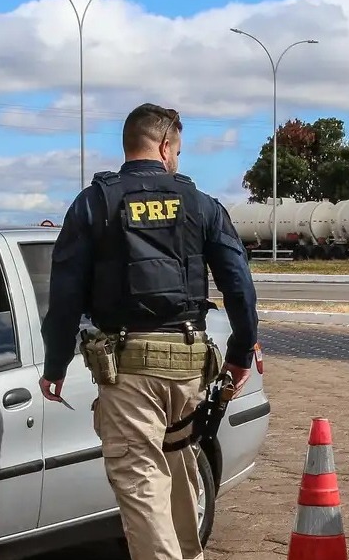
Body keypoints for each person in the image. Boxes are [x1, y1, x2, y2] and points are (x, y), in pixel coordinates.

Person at [38, 103, 258, 560]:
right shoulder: (201, 204)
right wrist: (240, 353)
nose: (177, 160)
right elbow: (239, 284)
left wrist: (55, 363)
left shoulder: (94, 202)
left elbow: (64, 297)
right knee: (178, 468)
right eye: (177, 150)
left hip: (129, 369)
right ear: (163, 146)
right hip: (189, 364)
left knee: (141, 482)